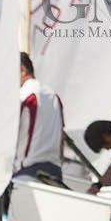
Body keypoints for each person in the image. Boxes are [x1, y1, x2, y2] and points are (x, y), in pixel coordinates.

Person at [13, 52, 65, 184]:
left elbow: (6, 131)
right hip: (55, 172)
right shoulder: (53, 95)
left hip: (28, 172)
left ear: (22, 70)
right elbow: (61, 138)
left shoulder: (24, 94)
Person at [84, 118, 111, 194]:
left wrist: (98, 186)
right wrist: (98, 186)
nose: (108, 149)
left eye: (105, 145)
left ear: (106, 135)